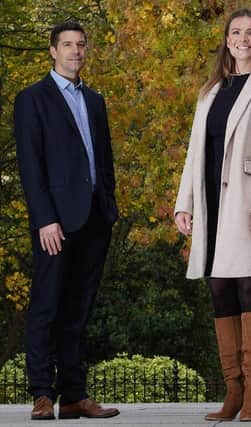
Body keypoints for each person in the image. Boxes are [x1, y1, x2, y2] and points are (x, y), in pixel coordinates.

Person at [174, 8, 251, 422]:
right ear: (227, 40)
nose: (243, 39)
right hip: (211, 204)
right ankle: (233, 391)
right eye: (236, 32)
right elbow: (194, 152)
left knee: (250, 290)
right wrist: (183, 202)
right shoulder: (211, 91)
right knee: (219, 289)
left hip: (247, 202)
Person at [14, 22, 120, 420]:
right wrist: (44, 219)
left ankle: (74, 394)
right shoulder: (32, 99)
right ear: (52, 51)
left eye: (81, 45)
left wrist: (109, 203)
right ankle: (42, 393)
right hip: (54, 223)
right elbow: (30, 165)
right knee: (47, 306)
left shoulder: (95, 100)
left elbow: (102, 159)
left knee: (79, 309)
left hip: (94, 218)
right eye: (67, 45)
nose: (76, 51)